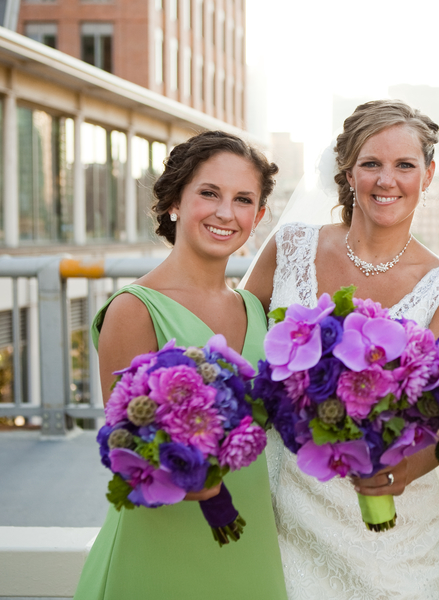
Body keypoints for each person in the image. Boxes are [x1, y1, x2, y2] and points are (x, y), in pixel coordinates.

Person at [245, 99, 439, 600]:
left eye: (404, 165)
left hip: (391, 531)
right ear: (348, 171)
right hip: (285, 508)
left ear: (428, 174)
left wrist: (401, 470)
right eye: (371, 163)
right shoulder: (289, 250)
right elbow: (236, 344)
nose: (386, 179)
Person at [74, 131, 288, 599]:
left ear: (258, 216)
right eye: (209, 193)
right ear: (174, 200)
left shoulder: (257, 309)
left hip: (250, 542)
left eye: (243, 199)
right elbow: (130, 452)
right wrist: (211, 497)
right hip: (161, 544)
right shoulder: (134, 309)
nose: (225, 212)